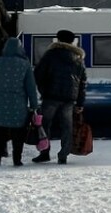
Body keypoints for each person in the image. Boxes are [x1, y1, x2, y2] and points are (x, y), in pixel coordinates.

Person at [32, 29, 87, 164]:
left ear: (58, 39)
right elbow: (82, 82)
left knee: (44, 125)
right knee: (67, 127)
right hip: (69, 98)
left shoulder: (50, 55)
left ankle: (44, 152)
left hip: (50, 96)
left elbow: (38, 74)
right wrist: (80, 103)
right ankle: (63, 155)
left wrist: (43, 90)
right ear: (72, 41)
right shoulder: (78, 58)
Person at [0, 37, 38, 167]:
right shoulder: (24, 64)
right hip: (18, 105)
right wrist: (34, 104)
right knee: (18, 134)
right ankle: (17, 160)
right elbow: (31, 87)